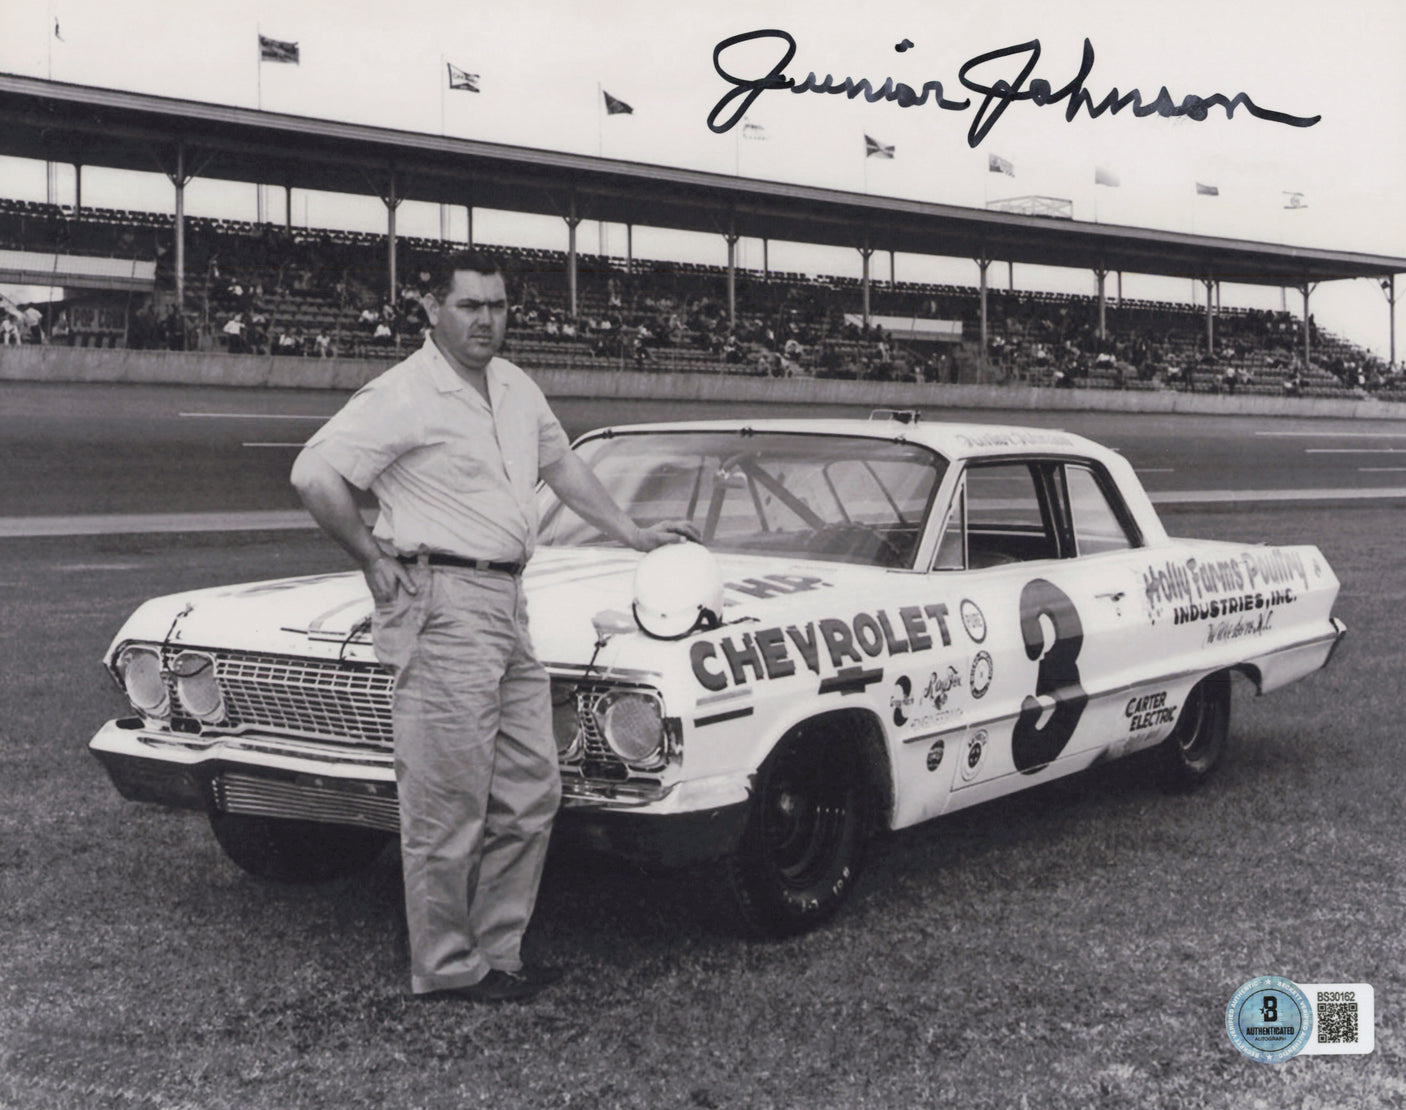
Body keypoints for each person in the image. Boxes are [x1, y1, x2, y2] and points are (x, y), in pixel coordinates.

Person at [290, 250, 695, 1004]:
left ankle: (498, 952)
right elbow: (315, 475)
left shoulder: (513, 385)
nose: (486, 320)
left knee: (532, 789)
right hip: (440, 601)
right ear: (431, 308)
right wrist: (372, 558)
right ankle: (445, 967)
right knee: (447, 802)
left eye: (498, 306)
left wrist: (632, 532)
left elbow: (563, 467)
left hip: (509, 602)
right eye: (470, 305)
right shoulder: (406, 392)